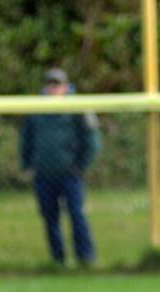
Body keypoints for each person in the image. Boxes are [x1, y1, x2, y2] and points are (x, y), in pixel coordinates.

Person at [19, 68, 102, 267]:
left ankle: (86, 258)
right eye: (50, 84)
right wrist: (27, 164)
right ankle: (58, 260)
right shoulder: (36, 109)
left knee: (77, 214)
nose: (53, 88)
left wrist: (80, 166)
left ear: (65, 86)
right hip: (44, 174)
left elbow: (93, 142)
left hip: (70, 175)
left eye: (57, 84)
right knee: (49, 217)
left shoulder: (78, 108)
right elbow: (26, 139)